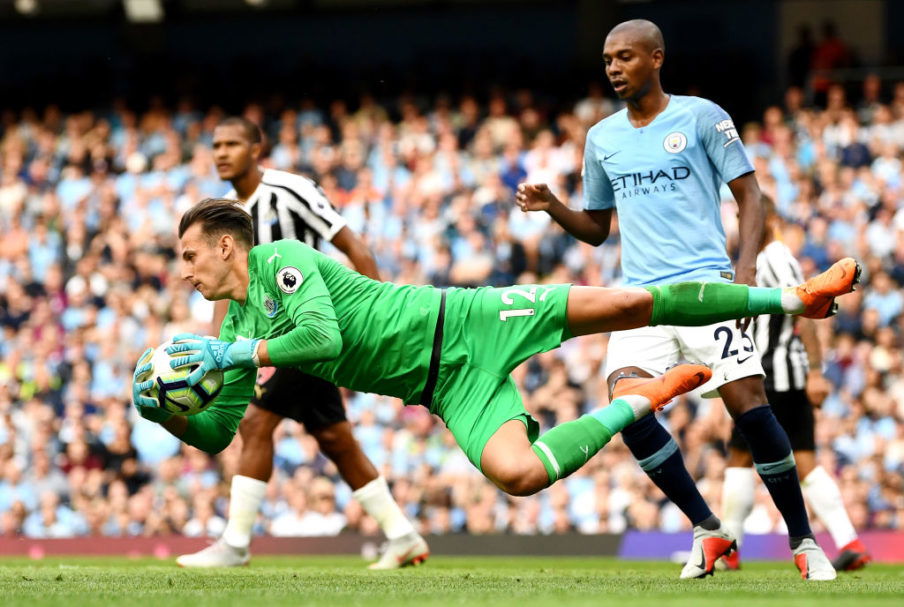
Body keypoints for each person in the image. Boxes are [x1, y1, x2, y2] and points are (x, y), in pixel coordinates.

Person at [132, 199, 859, 551]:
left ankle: (798, 295)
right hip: (446, 387)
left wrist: (241, 356)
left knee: (630, 302)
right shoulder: (231, 329)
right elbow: (220, 432)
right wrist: (169, 413)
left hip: (468, 319)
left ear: (227, 246)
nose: (186, 270)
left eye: (190, 256)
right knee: (517, 475)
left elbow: (319, 335)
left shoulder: (279, 265)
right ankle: (644, 401)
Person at [516, 19, 839, 580]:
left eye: (626, 58)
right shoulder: (602, 138)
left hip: (703, 286)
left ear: (657, 58)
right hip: (640, 298)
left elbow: (750, 196)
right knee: (628, 409)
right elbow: (596, 229)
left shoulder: (702, 116)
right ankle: (709, 529)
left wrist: (739, 281)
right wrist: (553, 207)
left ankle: (804, 541)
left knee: (750, 410)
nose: (614, 68)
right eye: (607, 60)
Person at [175, 117, 428, 569]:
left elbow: (355, 246)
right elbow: (231, 293)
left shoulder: (292, 191)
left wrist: (379, 324)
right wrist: (215, 348)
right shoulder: (225, 215)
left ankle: (234, 544)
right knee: (334, 437)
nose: (221, 152)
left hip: (309, 327)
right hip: (274, 335)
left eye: (232, 143)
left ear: (258, 148)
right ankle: (402, 534)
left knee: (255, 422)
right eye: (215, 144)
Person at [720, 197, 871, 572]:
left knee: (740, 457)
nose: (743, 224)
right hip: (784, 374)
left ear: (767, 217)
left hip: (772, 376)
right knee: (804, 460)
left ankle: (730, 549)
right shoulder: (767, 258)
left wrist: (816, 371)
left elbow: (807, 308)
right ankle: (849, 541)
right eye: (740, 217)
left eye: (747, 215)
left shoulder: (774, 257)